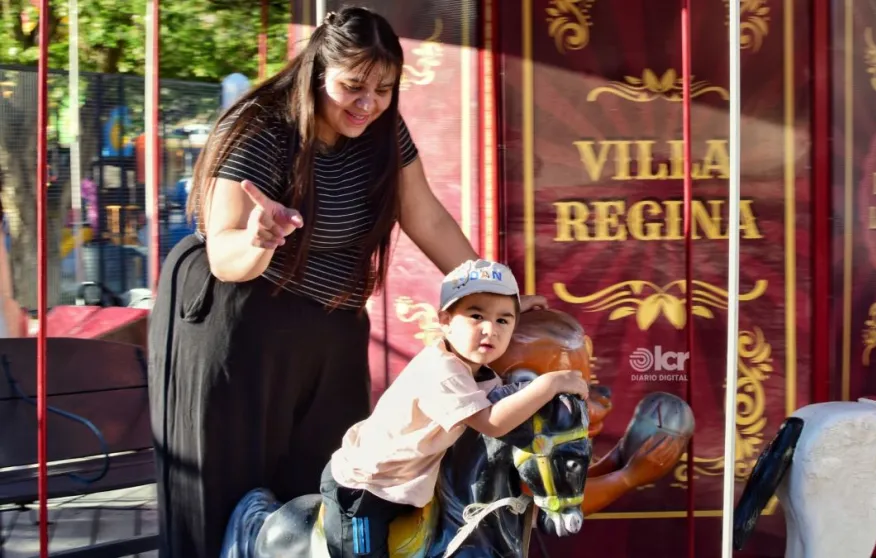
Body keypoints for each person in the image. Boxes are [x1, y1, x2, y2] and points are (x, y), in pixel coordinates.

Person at [146, 8, 547, 558]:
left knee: (334, 490)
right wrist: (261, 238)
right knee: (230, 498)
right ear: (316, 73)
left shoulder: (385, 132)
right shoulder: (260, 127)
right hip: (238, 321)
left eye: (383, 89)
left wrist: (494, 295)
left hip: (331, 323)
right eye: (352, 86)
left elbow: (426, 217)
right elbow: (224, 255)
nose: (368, 103)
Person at [320, 259, 588, 557]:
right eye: (476, 316)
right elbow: (493, 424)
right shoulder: (442, 373)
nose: (490, 330)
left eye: (503, 320)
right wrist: (550, 383)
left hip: (414, 483)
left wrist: (509, 309)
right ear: (445, 321)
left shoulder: (475, 366)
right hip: (365, 489)